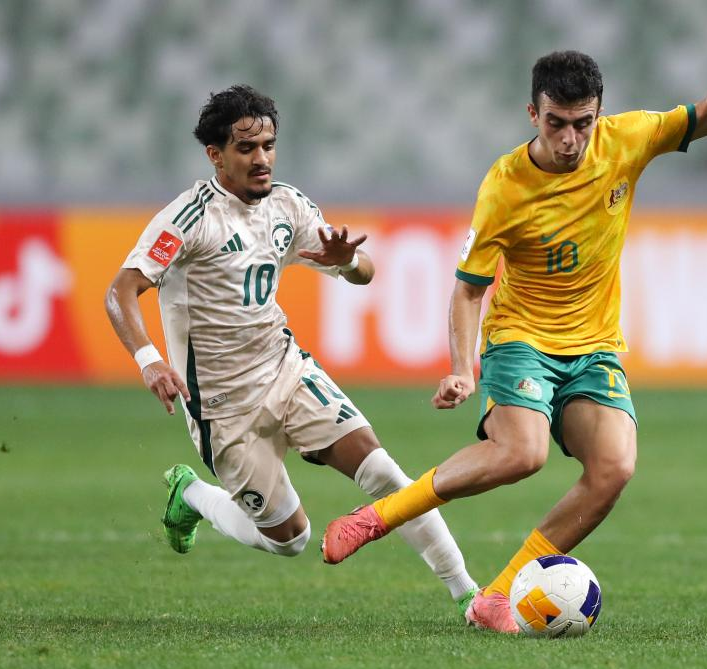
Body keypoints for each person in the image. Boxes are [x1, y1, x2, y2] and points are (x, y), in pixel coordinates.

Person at [321, 32, 707, 633]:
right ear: (533, 113)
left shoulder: (627, 139)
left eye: (582, 123)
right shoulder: (505, 187)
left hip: (594, 345)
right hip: (522, 336)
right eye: (556, 123)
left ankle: (495, 597)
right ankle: (379, 516)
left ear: (599, 112)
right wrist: (460, 366)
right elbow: (470, 288)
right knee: (522, 453)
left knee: (614, 469)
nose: (570, 138)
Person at [104, 84, 478, 615]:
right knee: (289, 539)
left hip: (285, 370)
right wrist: (150, 361)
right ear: (215, 154)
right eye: (246, 149)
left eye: (269, 146)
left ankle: (469, 594)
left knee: (384, 473)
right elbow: (119, 291)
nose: (262, 160)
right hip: (221, 405)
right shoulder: (187, 221)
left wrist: (348, 261)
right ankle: (191, 495)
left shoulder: (290, 205)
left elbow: (364, 274)